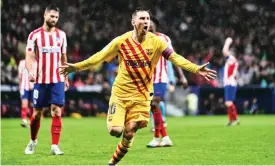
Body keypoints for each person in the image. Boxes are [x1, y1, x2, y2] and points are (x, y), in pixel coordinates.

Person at [59, 8, 216, 165]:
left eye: (147, 18)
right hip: (120, 94)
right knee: (115, 131)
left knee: (130, 130)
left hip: (142, 96)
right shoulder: (121, 41)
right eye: (142, 18)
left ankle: (112, 163)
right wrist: (76, 67)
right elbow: (99, 57)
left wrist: (196, 68)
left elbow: (175, 58)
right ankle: (122, 122)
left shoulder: (157, 42)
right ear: (133, 22)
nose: (146, 21)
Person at [24, 4, 69, 155]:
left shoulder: (61, 35)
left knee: (56, 111)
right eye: (51, 16)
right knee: (37, 113)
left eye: (56, 17)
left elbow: (64, 58)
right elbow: (29, 56)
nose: (54, 19)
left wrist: (66, 77)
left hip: (57, 79)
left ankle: (54, 146)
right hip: (41, 80)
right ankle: (32, 141)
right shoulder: (34, 35)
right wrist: (31, 71)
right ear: (45, 15)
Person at [147, 17, 188, 148]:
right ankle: (164, 138)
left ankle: (157, 138)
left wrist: (182, 76)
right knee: (153, 108)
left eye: (150, 23)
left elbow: (174, 57)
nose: (148, 25)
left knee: (155, 104)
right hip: (147, 80)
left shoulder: (163, 39)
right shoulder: (140, 41)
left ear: (155, 25)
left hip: (160, 78)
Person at [222, 37, 240, 126]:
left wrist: (227, 42)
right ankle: (231, 120)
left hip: (230, 83)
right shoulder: (232, 61)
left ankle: (235, 119)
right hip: (229, 83)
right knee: (228, 102)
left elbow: (224, 51)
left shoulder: (232, 59)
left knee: (229, 102)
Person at [18, 59, 37, 127]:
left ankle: (32, 121)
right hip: (24, 87)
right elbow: (19, 76)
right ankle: (24, 120)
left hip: (34, 87)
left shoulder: (36, 63)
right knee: (24, 104)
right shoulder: (22, 62)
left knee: (33, 105)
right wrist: (20, 87)